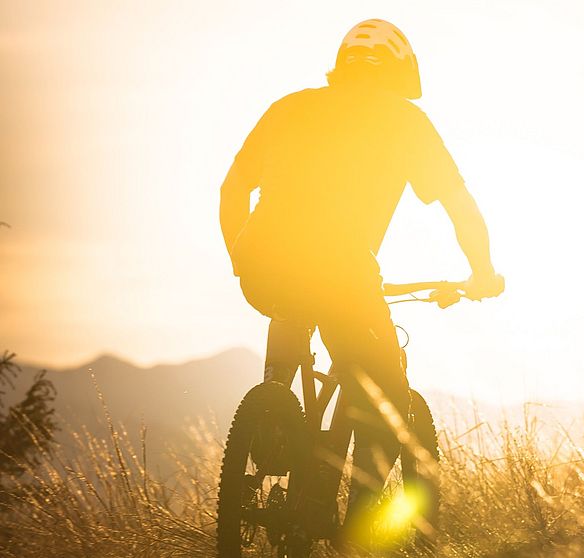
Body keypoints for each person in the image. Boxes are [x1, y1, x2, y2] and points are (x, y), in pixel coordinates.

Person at [218, 19, 503, 539]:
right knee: (387, 398)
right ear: (399, 73)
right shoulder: (405, 120)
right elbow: (461, 207)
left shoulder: (289, 107)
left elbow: (233, 189)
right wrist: (482, 273)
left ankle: (276, 411)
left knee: (290, 305)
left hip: (261, 266)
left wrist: (241, 258)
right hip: (341, 270)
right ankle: (354, 536)